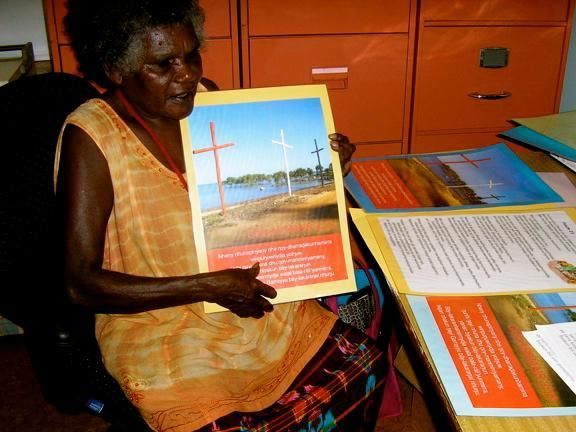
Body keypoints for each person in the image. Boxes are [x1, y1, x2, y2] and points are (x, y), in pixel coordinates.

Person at [55, 0, 385, 430]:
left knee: (363, 363)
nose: (187, 73)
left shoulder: (206, 100)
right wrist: (204, 286)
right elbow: (80, 283)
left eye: (192, 54)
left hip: (236, 292)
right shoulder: (92, 137)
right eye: (163, 63)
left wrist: (325, 170)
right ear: (117, 69)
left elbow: (254, 183)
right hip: (159, 324)